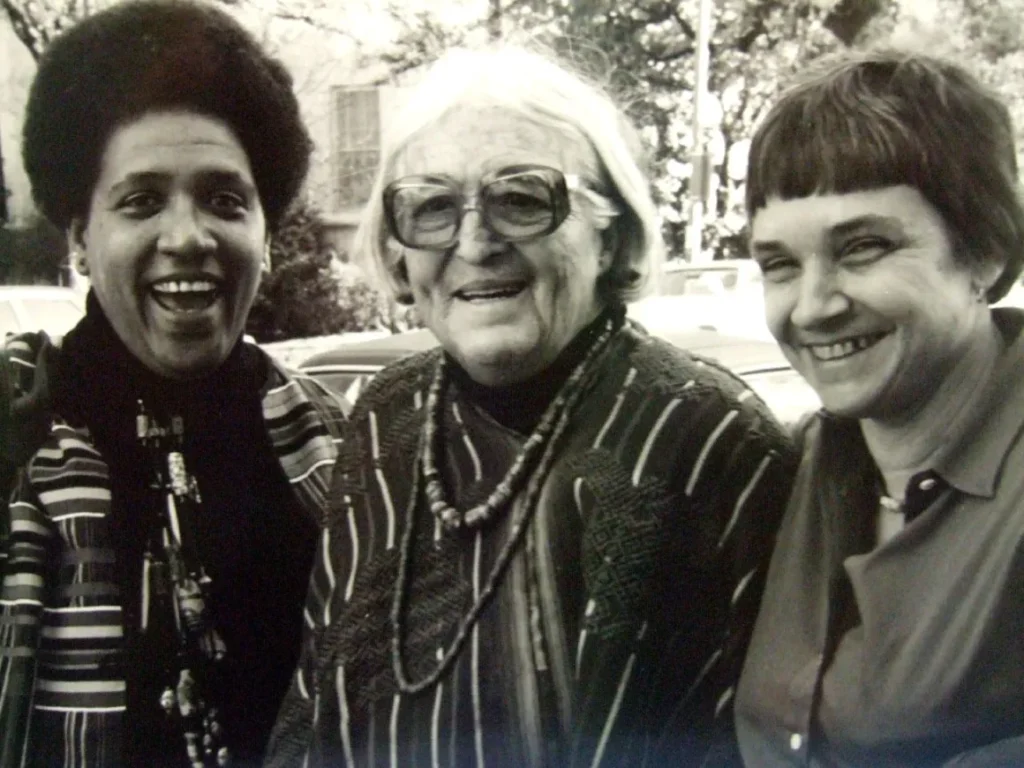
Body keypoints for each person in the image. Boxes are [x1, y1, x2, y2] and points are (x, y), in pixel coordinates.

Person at [266, 45, 795, 768]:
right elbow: (314, 705)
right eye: (433, 207)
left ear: (611, 234)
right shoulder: (384, 415)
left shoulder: (708, 436)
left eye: (522, 198)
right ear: (397, 255)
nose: (476, 243)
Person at [0, 2, 347, 766]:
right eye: (141, 200)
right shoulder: (13, 433)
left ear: (266, 227)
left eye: (226, 200)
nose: (188, 238)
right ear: (79, 234)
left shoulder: (344, 450)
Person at [735, 50, 1024, 766]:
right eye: (780, 264)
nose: (813, 305)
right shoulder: (798, 464)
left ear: (986, 251)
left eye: (862, 248)